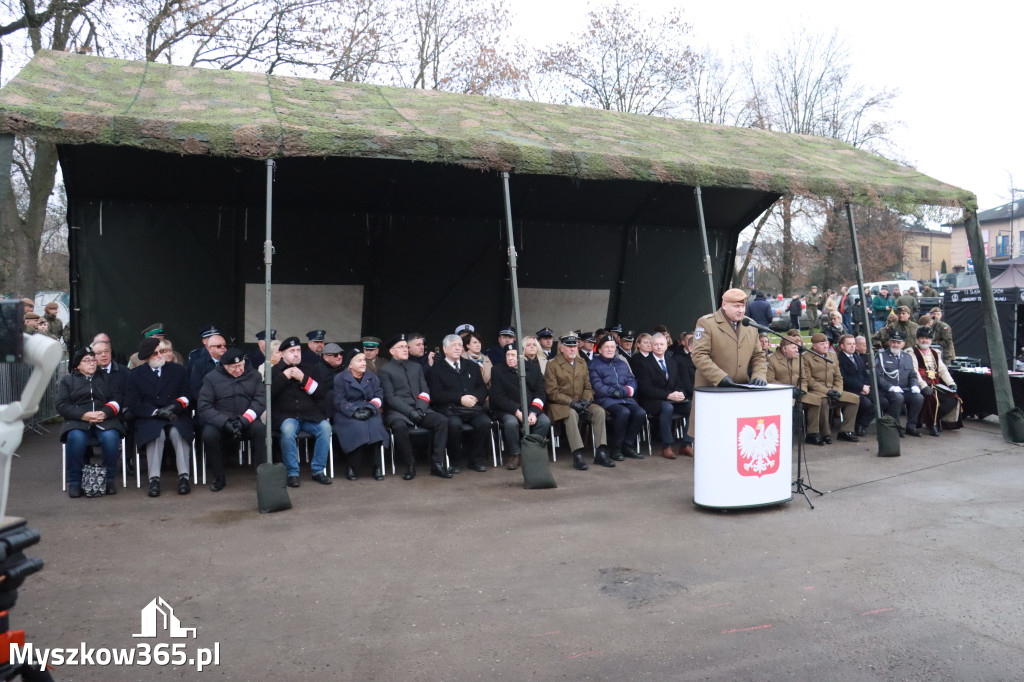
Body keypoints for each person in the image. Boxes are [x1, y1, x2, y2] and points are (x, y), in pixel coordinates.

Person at [689, 288, 768, 440]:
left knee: (738, 441)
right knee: (713, 439)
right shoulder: (707, 323)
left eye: (743, 306)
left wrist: (759, 375)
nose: (741, 310)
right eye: (736, 306)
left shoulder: (750, 324)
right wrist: (720, 377)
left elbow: (758, 355)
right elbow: (699, 355)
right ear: (724, 305)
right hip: (713, 391)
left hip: (740, 393)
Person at [127, 337, 194, 497]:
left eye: (162, 352)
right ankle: (154, 479)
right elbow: (133, 404)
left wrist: (173, 407)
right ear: (146, 356)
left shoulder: (177, 370)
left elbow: (187, 395)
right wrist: (156, 412)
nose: (160, 355)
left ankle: (184, 477)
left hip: (174, 414)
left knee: (178, 433)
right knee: (157, 435)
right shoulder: (135, 375)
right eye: (155, 353)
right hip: (150, 417)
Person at [57, 346, 125, 497]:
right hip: (78, 421)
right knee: (76, 438)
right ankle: (75, 482)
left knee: (111, 438)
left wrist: (105, 413)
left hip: (104, 419)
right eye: (87, 360)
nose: (92, 363)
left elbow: (117, 398)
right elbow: (61, 405)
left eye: (93, 360)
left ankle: (108, 480)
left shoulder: (106, 378)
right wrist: (84, 415)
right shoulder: (68, 381)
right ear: (78, 365)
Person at [379, 334, 450, 479]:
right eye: (401, 347)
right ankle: (410, 465)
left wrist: (419, 409)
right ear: (392, 351)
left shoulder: (416, 367)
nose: (405, 349)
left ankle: (437, 464)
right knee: (399, 427)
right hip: (399, 411)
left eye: (406, 346)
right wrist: (410, 412)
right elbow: (390, 398)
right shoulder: (385, 370)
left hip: (420, 409)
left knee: (442, 421)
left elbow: (425, 391)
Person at [197, 348, 266, 492]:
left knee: (260, 430)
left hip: (247, 418)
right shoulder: (211, 378)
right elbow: (204, 406)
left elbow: (260, 401)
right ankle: (219, 477)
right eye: (233, 368)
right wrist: (224, 423)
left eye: (240, 365)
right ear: (224, 366)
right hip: (221, 420)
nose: (238, 370)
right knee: (209, 435)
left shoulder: (254, 375)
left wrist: (244, 421)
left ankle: (262, 476)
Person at [271, 336, 333, 487]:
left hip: (310, 415)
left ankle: (318, 470)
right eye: (292, 351)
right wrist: (284, 377)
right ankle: (292, 473)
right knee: (288, 430)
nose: (296, 354)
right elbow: (268, 395)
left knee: (325, 428)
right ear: (282, 354)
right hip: (286, 415)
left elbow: (321, 394)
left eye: (298, 350)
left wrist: (303, 379)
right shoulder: (274, 371)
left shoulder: (310, 369)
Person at [545, 332, 611, 469]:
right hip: (560, 404)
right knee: (571, 414)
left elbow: (588, 386)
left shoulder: (581, 363)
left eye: (575, 346)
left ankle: (601, 452)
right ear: (562, 348)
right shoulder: (552, 365)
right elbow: (552, 392)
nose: (572, 349)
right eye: (569, 347)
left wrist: (586, 400)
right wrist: (571, 403)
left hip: (581, 402)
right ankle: (577, 454)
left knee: (599, 411)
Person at [429, 334, 492, 473]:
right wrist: (460, 398)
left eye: (459, 345)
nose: (458, 348)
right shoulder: (436, 369)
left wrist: (476, 398)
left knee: (485, 423)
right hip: (451, 409)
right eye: (453, 345)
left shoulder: (472, 366)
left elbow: (482, 388)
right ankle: (455, 461)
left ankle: (477, 460)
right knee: (454, 425)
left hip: (473, 409)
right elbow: (437, 395)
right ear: (445, 349)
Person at [489, 344, 551, 470]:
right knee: (511, 423)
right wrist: (517, 412)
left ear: (521, 356)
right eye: (507, 355)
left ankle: (532, 452)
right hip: (508, 409)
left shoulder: (533, 368)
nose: (510, 358)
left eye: (513, 355)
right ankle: (515, 454)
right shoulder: (497, 370)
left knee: (544, 421)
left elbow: (540, 392)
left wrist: (533, 412)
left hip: (530, 407)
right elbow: (498, 397)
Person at [333, 348, 389, 481]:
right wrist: (353, 411)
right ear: (350, 364)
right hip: (347, 412)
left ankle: (377, 466)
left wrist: (371, 408)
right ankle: (352, 466)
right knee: (358, 428)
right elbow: (338, 400)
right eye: (359, 360)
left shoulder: (372, 377)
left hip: (369, 409)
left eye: (364, 360)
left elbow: (378, 395)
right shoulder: (340, 378)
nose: (363, 363)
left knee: (375, 426)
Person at [635, 332, 692, 458]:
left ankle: (686, 444)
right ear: (651, 345)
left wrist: (679, 394)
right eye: (656, 344)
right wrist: (668, 395)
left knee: (691, 407)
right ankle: (667, 446)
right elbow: (646, 389)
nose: (659, 347)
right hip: (652, 401)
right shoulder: (644, 363)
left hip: (671, 399)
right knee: (668, 408)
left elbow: (679, 383)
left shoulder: (672, 362)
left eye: (662, 344)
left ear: (667, 345)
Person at [589, 334, 646, 460]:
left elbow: (632, 381)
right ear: (599, 350)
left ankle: (628, 446)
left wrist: (625, 391)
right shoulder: (594, 364)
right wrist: (613, 392)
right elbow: (597, 385)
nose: (610, 349)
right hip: (605, 399)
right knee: (623, 412)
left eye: (612, 347)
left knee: (640, 413)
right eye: (606, 347)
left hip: (625, 398)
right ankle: (616, 449)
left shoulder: (622, 363)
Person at [803, 333, 860, 444]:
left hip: (833, 388)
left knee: (854, 399)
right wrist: (827, 391)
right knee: (823, 401)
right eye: (822, 344)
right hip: (817, 390)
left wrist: (837, 390)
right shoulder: (806, 357)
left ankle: (846, 431)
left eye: (826, 344)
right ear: (814, 346)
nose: (825, 346)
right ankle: (825, 433)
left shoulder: (832, 356)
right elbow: (809, 380)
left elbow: (838, 376)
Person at [910, 327, 962, 435]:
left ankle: (936, 419)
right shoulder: (912, 352)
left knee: (953, 399)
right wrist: (923, 386)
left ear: (931, 340)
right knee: (930, 398)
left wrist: (951, 383)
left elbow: (942, 370)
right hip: (919, 385)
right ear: (917, 339)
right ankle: (931, 425)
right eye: (922, 338)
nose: (924, 340)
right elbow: (914, 372)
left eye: (927, 338)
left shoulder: (935, 353)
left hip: (935, 385)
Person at [875, 330, 925, 437]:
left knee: (918, 398)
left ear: (903, 344)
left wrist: (914, 385)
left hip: (905, 389)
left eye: (898, 342)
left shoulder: (907, 357)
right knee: (898, 398)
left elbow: (912, 375)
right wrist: (890, 387)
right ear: (889, 342)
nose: (895, 345)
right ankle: (894, 427)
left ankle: (911, 427)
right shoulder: (881, 356)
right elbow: (877, 376)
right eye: (893, 342)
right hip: (888, 390)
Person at [836, 334, 876, 437]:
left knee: (882, 401)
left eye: (853, 344)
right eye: (849, 344)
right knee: (867, 404)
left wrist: (866, 386)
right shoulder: (839, 359)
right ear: (842, 346)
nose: (852, 346)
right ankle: (857, 426)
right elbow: (843, 378)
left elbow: (865, 374)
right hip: (850, 389)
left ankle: (861, 424)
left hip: (863, 388)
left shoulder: (858, 358)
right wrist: (861, 387)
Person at [189, 333, 227, 398]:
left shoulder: (231, 362)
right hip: (208, 402)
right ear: (209, 348)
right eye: (219, 346)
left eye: (225, 345)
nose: (223, 348)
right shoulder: (199, 364)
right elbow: (197, 389)